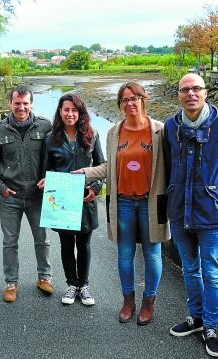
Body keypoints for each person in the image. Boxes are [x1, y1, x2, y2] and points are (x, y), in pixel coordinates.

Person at [163, 73, 218, 358]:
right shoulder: (171, 127)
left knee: (212, 272)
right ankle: (195, 317)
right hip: (179, 211)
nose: (191, 94)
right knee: (189, 268)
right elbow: (166, 168)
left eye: (196, 88)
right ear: (178, 95)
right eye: (185, 89)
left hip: (212, 213)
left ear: (205, 92)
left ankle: (210, 326)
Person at [78, 82, 170, 324]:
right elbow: (111, 167)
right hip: (124, 203)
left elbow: (172, 167)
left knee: (152, 253)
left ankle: (149, 301)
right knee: (125, 253)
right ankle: (128, 300)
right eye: (124, 100)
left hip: (152, 202)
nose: (129, 103)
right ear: (120, 104)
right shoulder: (114, 132)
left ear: (143, 99)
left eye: (133, 98)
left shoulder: (160, 130)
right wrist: (85, 172)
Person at [0, 85, 53, 303]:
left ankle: (44, 277)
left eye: (25, 103)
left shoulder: (45, 126)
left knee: (42, 239)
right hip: (10, 196)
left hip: (37, 195)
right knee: (10, 241)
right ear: (10, 104)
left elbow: (52, 157)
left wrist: (49, 180)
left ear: (31, 103)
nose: (21, 107)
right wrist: (0, 187)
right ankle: (11, 282)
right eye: (17, 103)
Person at [38, 93, 105, 306]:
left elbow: (101, 167)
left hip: (86, 199)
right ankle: (71, 284)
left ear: (80, 112)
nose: (70, 114)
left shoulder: (92, 136)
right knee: (66, 244)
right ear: (60, 112)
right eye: (66, 109)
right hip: (61, 201)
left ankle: (84, 285)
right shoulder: (50, 138)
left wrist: (95, 188)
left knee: (84, 244)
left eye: (74, 110)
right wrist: (45, 183)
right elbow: (46, 170)